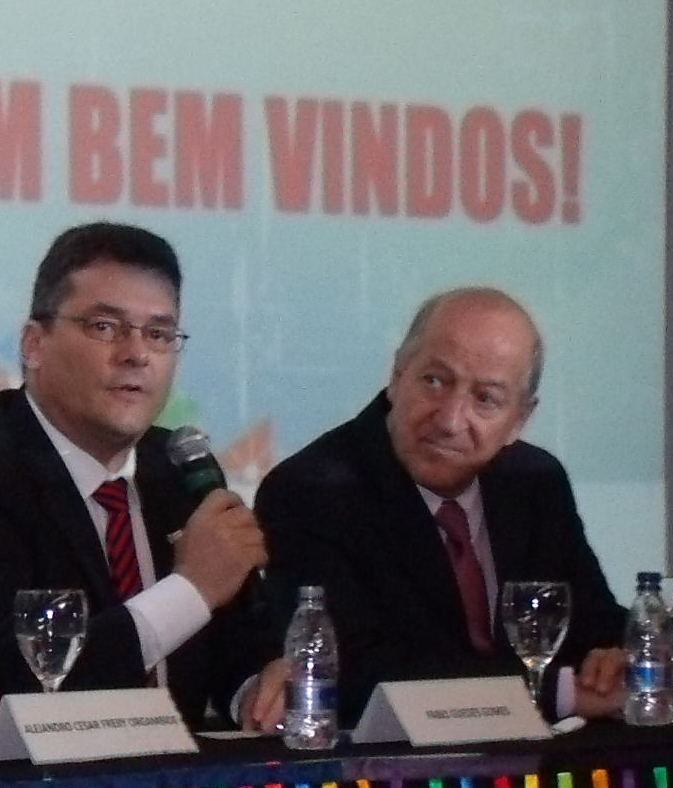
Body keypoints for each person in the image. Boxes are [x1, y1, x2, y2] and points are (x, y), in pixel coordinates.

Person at [0, 222, 284, 730]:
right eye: (105, 327)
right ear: (34, 344)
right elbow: (0, 682)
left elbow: (235, 645)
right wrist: (190, 592)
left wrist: (256, 689)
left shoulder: (176, 469)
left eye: (158, 334)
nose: (136, 354)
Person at [254, 285, 628, 724]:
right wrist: (556, 694)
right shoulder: (312, 492)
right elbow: (350, 672)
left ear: (520, 419)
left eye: (485, 399)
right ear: (397, 375)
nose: (450, 420)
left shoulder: (535, 481)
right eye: (435, 381)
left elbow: (593, 623)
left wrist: (617, 659)